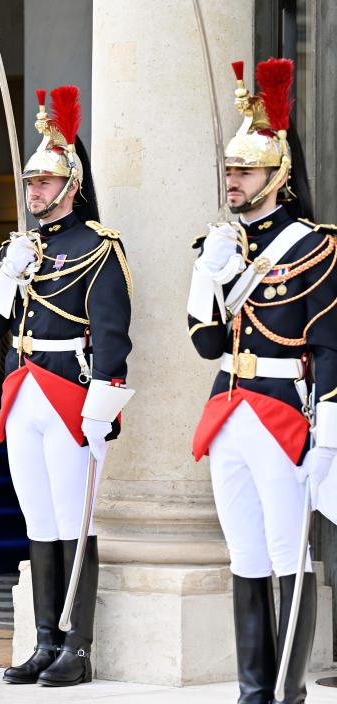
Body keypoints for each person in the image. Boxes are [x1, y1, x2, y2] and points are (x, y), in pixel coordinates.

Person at [187, 58, 337, 703]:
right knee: (244, 554)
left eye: (244, 171)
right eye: (229, 170)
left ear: (277, 175)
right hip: (227, 407)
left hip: (283, 411)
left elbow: (329, 346)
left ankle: (288, 690)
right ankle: (254, 690)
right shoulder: (219, 245)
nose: (233, 181)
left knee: (285, 552)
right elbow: (206, 343)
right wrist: (210, 274)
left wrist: (329, 431)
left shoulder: (313, 246)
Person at [0, 86, 134, 687]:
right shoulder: (24, 249)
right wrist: (5, 271)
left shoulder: (98, 247)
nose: (34, 191)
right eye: (31, 182)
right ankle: (44, 641)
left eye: (44, 181)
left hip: (72, 393)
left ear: (72, 184)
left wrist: (103, 410)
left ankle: (78, 646)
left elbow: (113, 336)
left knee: (74, 521)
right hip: (23, 393)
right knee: (38, 521)